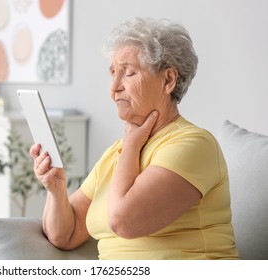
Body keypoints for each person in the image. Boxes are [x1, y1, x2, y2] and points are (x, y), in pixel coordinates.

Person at [30, 17, 239, 260]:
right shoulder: (114, 155)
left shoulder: (193, 144)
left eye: (128, 73)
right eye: (112, 74)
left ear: (168, 80)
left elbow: (123, 221)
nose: (114, 87)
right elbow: (65, 234)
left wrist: (130, 144)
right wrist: (56, 190)